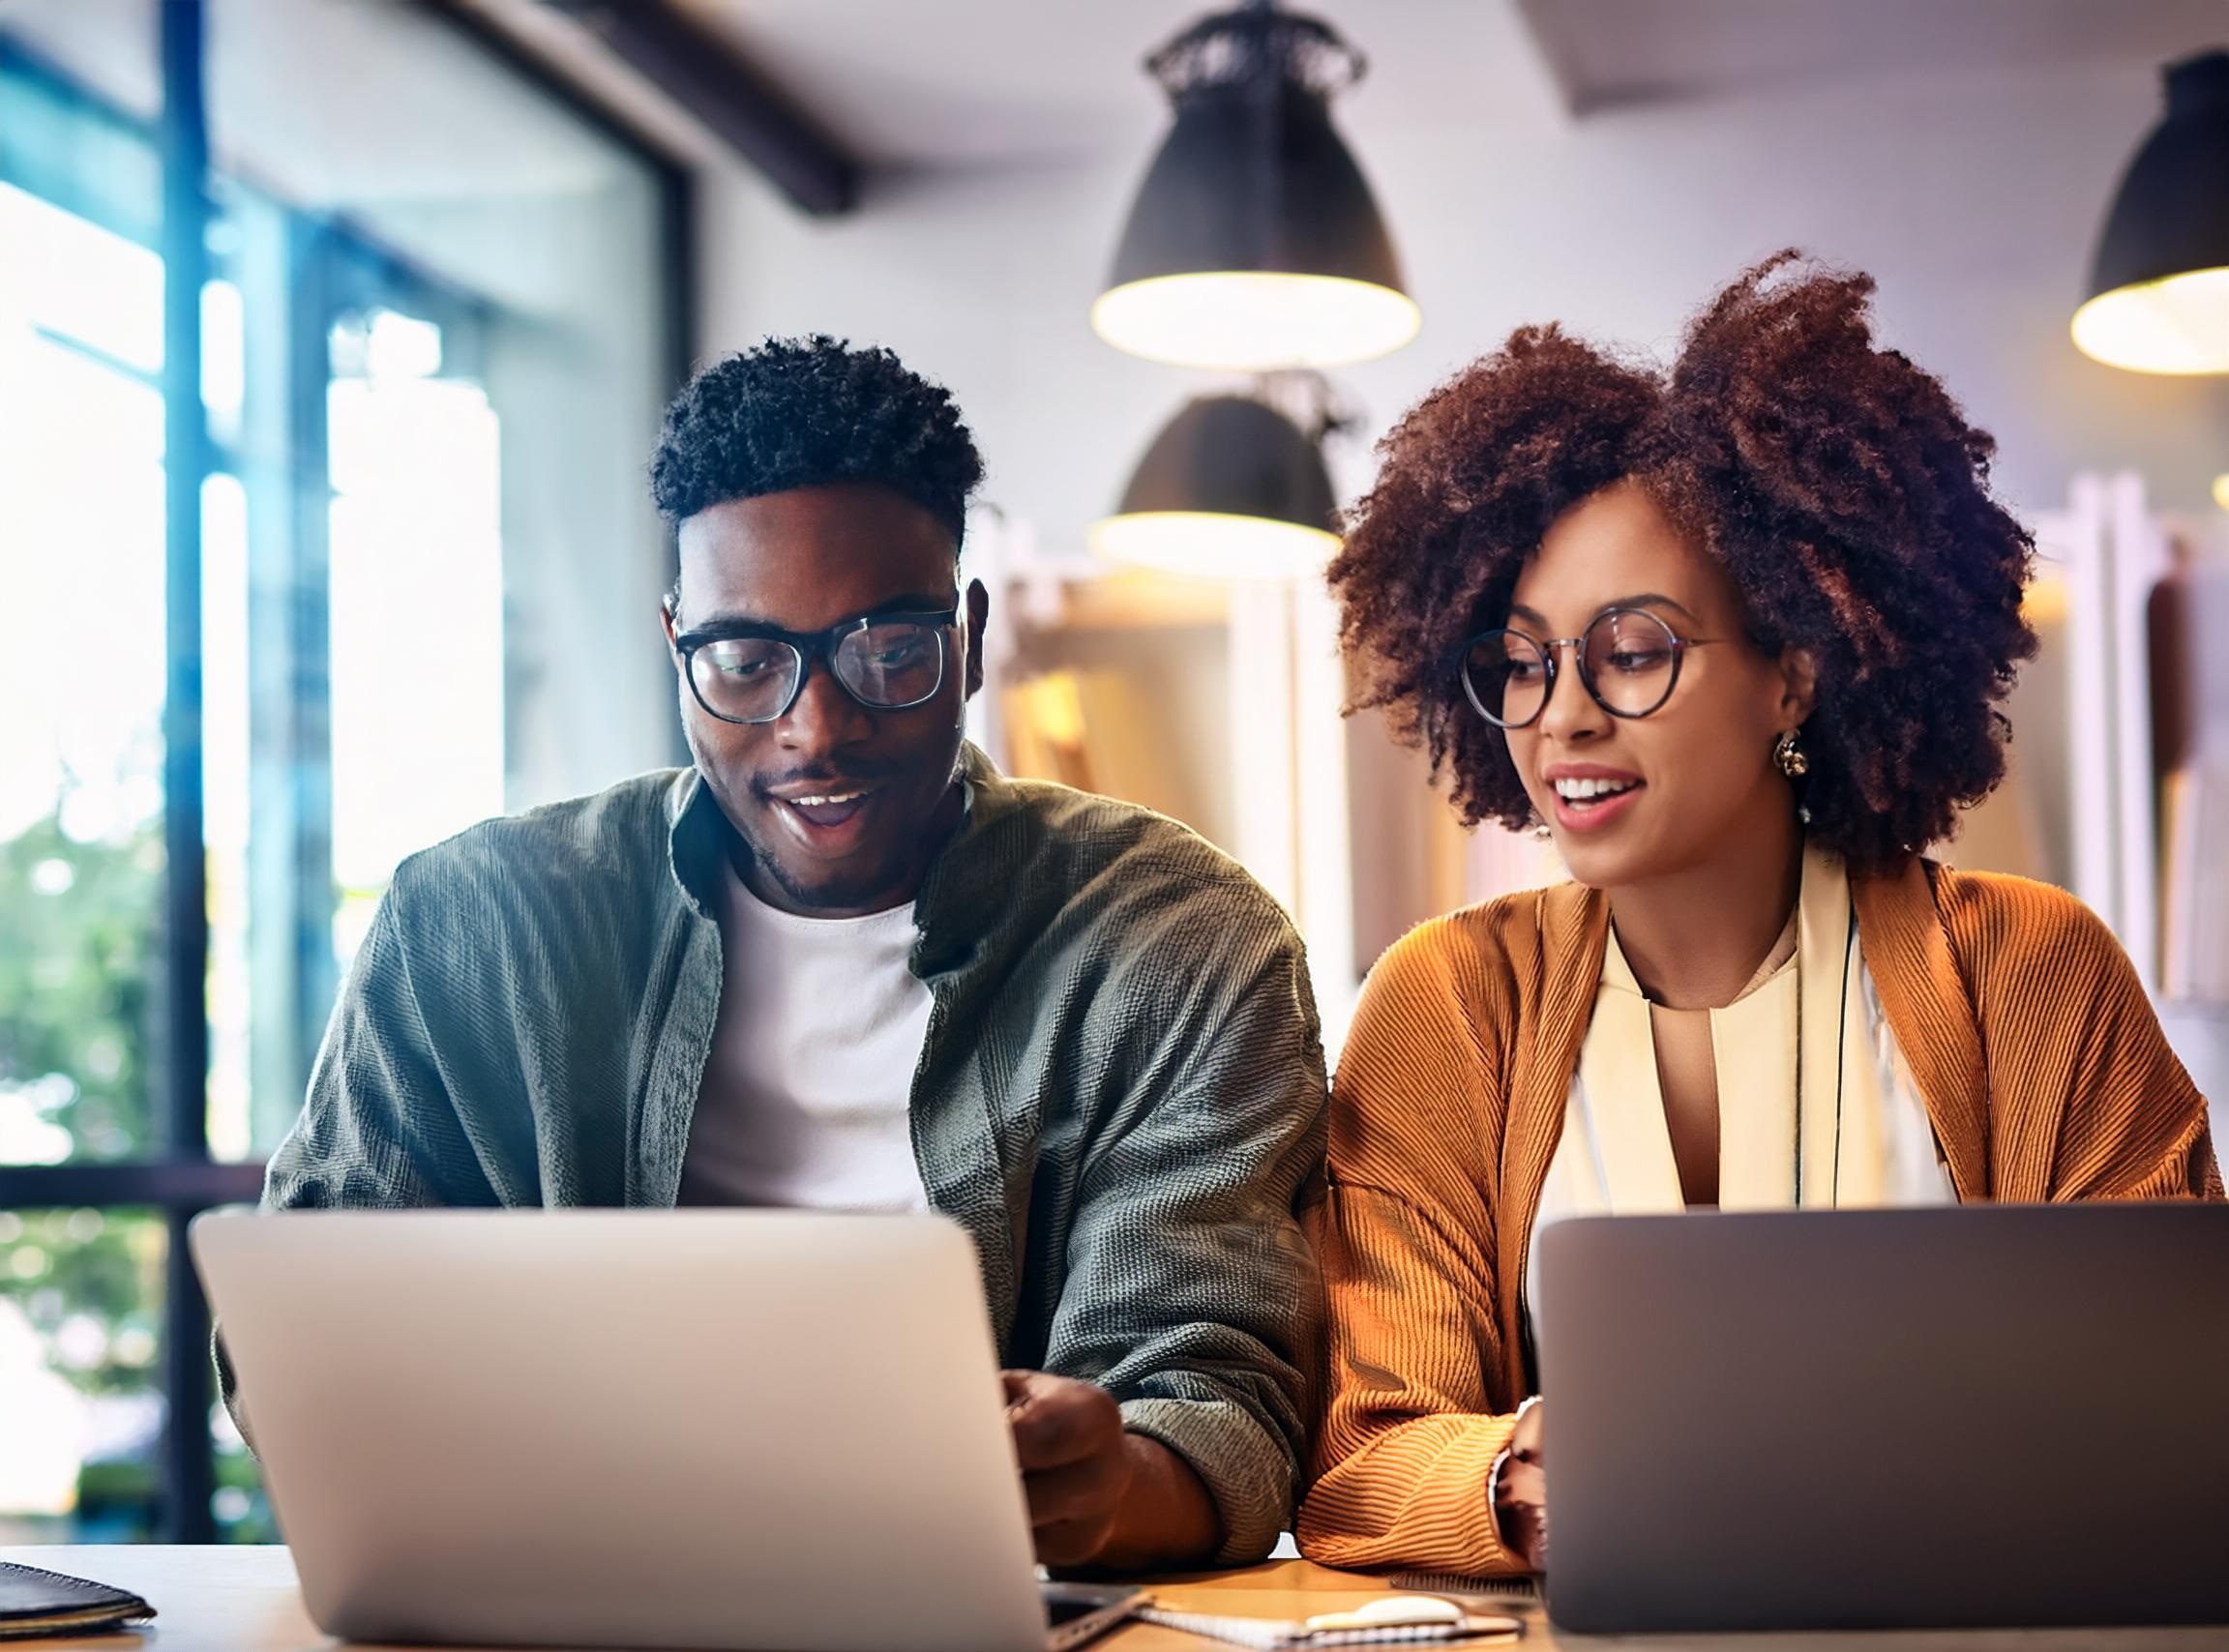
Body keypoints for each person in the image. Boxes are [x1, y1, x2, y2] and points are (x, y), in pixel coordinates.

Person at [246, 337, 1328, 1572]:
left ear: (966, 636)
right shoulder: (476, 925)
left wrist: (1114, 1480)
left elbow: (1216, 1392)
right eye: (749, 660)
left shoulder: (1173, 937)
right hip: (559, 1602)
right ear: (676, 646)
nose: (818, 729)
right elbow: (309, 1327)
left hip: (990, 1612)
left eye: (888, 652)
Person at [1296, 252, 2222, 1579]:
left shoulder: (2029, 970)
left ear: (1794, 672)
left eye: (1630, 651)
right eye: (1522, 661)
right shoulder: (1445, 1002)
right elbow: (1364, 1453)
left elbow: (2179, 1399)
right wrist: (1516, 1477)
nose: (1561, 714)